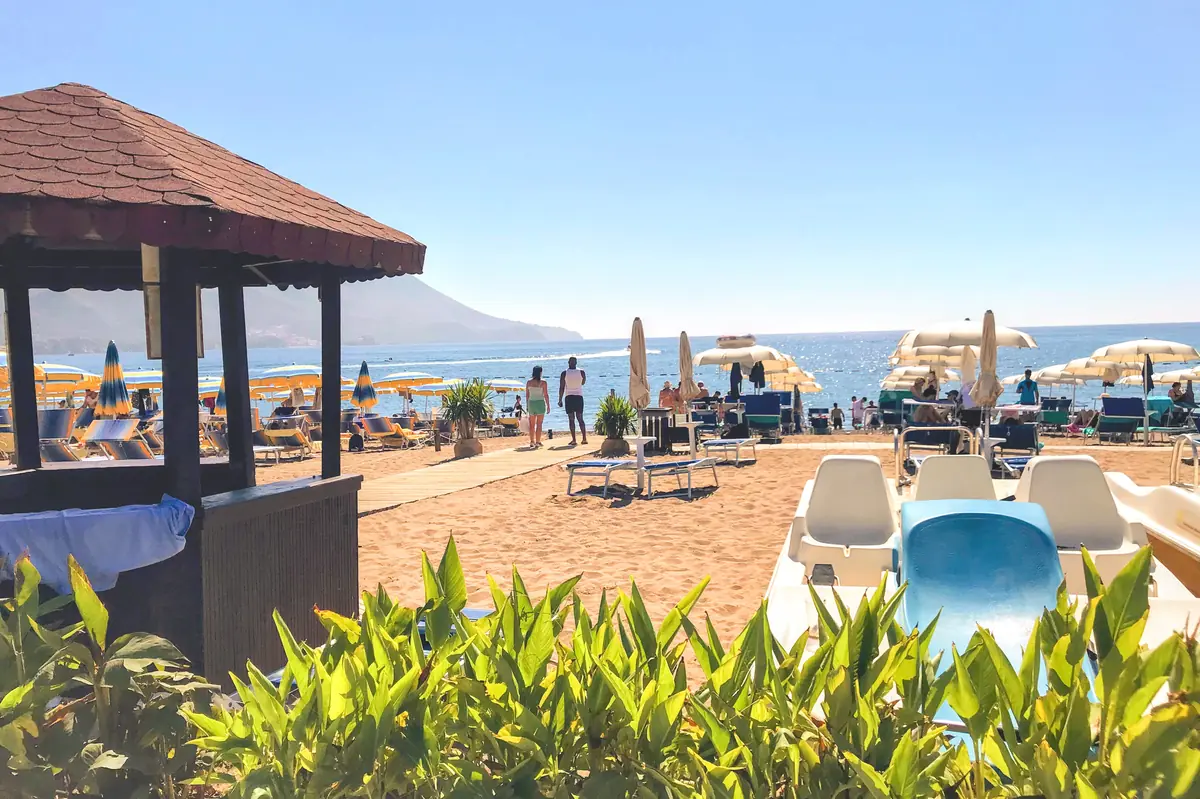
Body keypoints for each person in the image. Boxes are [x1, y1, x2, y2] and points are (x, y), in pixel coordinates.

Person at [558, 356, 588, 446]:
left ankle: (574, 440)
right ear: (576, 363)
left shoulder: (564, 373)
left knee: (571, 419)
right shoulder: (581, 372)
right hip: (579, 397)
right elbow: (583, 383)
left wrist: (560, 399)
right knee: (580, 418)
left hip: (569, 397)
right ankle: (584, 438)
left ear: (568, 362)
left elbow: (562, 387)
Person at [525, 365, 550, 448]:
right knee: (539, 424)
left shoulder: (529, 382)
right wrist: (548, 405)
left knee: (532, 424)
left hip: (531, 403)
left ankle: (532, 441)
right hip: (540, 403)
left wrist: (527, 405)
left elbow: (527, 395)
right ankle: (538, 441)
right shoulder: (543, 382)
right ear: (540, 372)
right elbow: (546, 395)